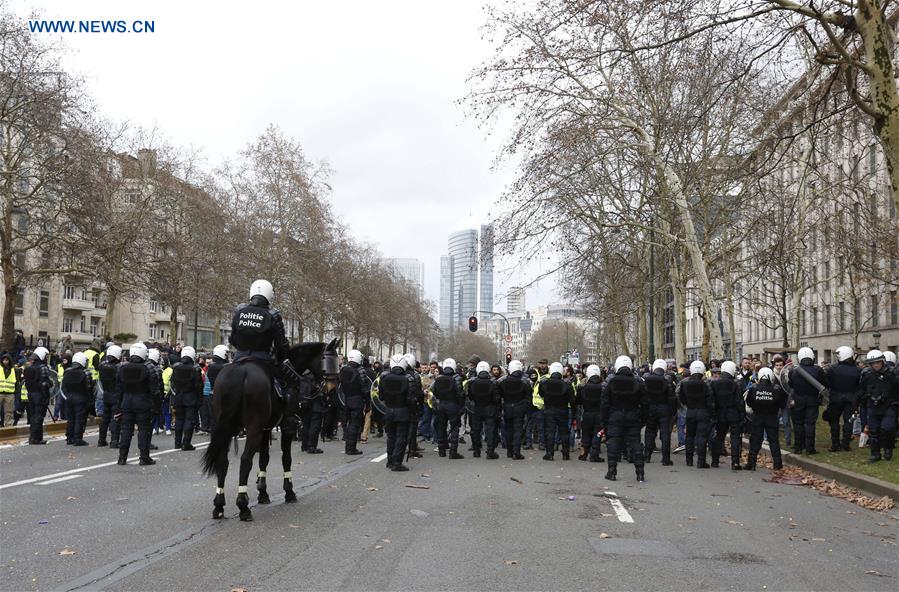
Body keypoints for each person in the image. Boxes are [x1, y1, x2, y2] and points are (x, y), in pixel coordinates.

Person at [600, 355, 646, 482]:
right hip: (633, 415)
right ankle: (640, 473)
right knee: (635, 443)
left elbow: (604, 403)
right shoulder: (638, 382)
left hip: (615, 415)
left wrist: (604, 421)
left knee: (613, 443)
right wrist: (642, 419)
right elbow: (645, 403)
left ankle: (612, 472)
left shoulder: (611, 382)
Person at [117, 343, 160, 466]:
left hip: (127, 402)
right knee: (144, 430)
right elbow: (155, 390)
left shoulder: (122, 367)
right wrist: (156, 407)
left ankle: (122, 457)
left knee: (126, 430)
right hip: (143, 402)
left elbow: (118, 388)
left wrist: (119, 405)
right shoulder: (149, 368)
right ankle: (144, 457)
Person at [787, 347, 828, 455]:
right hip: (812, 400)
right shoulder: (818, 370)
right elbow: (824, 383)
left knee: (798, 424)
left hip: (798, 400)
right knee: (810, 424)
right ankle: (810, 448)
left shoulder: (793, 370)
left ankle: (798, 447)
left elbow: (791, 385)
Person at [743, 367, 786, 470]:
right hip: (772, 417)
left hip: (757, 417)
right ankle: (777, 464)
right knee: (774, 441)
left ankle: (751, 463)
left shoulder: (753, 388)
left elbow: (749, 402)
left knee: (755, 441)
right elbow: (782, 404)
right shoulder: (776, 389)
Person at [860, 349, 899, 462]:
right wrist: (859, 402)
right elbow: (861, 390)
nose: (876, 365)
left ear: (882, 361)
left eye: (878, 362)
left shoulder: (891, 373)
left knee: (887, 428)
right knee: (873, 431)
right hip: (873, 406)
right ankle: (875, 454)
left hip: (889, 406)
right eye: (873, 363)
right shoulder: (867, 375)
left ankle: (888, 448)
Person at [379, 354, 415, 471]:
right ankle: (396, 462)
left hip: (389, 410)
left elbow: (381, 396)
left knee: (391, 437)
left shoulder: (384, 378)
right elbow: (411, 398)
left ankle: (390, 460)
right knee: (401, 437)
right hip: (403, 411)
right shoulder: (408, 379)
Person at [677, 360, 715, 468]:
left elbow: (681, 397)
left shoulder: (685, 383)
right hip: (703, 411)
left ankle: (689, 460)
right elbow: (710, 399)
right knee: (701, 436)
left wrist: (688, 404)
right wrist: (711, 413)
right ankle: (701, 461)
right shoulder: (706, 384)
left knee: (690, 435)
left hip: (691, 411)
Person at [710, 360, 746, 470]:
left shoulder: (714, 383)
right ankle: (735, 462)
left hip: (720, 413)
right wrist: (742, 415)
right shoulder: (735, 384)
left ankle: (715, 460)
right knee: (735, 438)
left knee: (719, 436)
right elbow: (739, 401)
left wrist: (713, 414)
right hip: (733, 413)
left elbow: (712, 400)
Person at [824, 346, 861, 452]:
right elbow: (859, 386)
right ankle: (845, 444)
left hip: (835, 398)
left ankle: (835, 444)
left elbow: (827, 382)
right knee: (849, 422)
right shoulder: (857, 370)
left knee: (834, 421)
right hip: (851, 399)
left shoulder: (833, 369)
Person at [642, 359, 675, 466]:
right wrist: (672, 410)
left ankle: (647, 455)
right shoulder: (667, 380)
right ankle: (666, 458)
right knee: (665, 433)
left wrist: (645, 409)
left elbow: (644, 396)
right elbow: (671, 397)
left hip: (651, 408)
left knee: (650, 432)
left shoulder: (647, 379)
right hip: (664, 408)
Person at [540, 362, 575, 460]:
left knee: (550, 432)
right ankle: (565, 454)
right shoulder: (567, 384)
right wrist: (574, 412)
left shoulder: (544, 383)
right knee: (564, 432)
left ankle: (549, 453)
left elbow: (541, 394)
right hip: (563, 410)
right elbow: (572, 400)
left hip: (549, 410)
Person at [431, 357, 465, 459]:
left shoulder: (438, 379)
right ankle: (453, 452)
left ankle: (441, 450)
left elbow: (434, 391)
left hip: (441, 404)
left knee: (441, 427)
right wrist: (461, 406)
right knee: (454, 428)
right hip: (452, 405)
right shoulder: (456, 378)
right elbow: (460, 394)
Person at [170, 346, 204, 451]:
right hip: (190, 396)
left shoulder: (176, 368)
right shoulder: (195, 369)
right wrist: (200, 399)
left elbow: (173, 382)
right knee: (189, 420)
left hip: (178, 396)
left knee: (179, 419)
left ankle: (177, 443)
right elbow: (198, 386)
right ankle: (186, 443)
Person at [465, 361, 500, 459]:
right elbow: (496, 398)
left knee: (476, 430)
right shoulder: (493, 382)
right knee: (490, 430)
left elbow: (470, 396)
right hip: (489, 408)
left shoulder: (472, 382)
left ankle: (476, 451)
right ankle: (490, 451)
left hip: (477, 408)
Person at [339, 349, 371, 455]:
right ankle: (351, 448)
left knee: (348, 424)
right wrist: (368, 403)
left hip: (346, 399)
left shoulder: (344, 369)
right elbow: (365, 389)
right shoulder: (360, 370)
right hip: (357, 400)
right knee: (354, 424)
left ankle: (347, 446)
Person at [497, 360, 531, 460]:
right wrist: (524, 407)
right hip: (519, 408)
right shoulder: (525, 382)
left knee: (508, 430)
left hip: (507, 407)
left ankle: (510, 451)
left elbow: (499, 395)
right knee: (518, 430)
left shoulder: (503, 381)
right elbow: (528, 397)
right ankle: (516, 452)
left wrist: (502, 406)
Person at [62, 352, 93, 446]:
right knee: (79, 419)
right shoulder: (85, 373)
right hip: (81, 398)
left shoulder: (67, 371)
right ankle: (78, 439)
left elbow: (64, 386)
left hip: (69, 397)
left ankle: (69, 438)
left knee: (70, 418)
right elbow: (89, 388)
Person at [576, 364, 605, 463]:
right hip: (599, 413)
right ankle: (594, 455)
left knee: (586, 433)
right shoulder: (603, 388)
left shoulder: (583, 387)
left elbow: (578, 401)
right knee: (597, 434)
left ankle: (584, 454)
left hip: (587, 413)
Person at [24, 346, 53, 445]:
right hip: (40, 395)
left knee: (33, 416)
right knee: (39, 417)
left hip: (30, 394)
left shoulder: (28, 368)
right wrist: (49, 384)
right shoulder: (43, 368)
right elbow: (45, 383)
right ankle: (37, 438)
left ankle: (33, 437)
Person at [97, 345, 123, 447]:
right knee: (116, 418)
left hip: (106, 394)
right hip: (116, 395)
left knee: (105, 418)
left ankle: (101, 439)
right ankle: (114, 440)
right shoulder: (119, 368)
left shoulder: (102, 366)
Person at [203, 344, 229, 432]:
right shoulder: (223, 367)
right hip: (222, 394)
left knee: (214, 418)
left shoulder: (212, 367)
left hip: (213, 394)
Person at [0, 353, 19, 427]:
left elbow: (16, 382)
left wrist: (16, 392)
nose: (5, 361)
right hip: (0, 392)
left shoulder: (14, 370)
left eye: (7, 360)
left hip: (10, 393)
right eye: (4, 360)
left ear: (10, 361)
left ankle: (8, 426)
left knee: (9, 411)